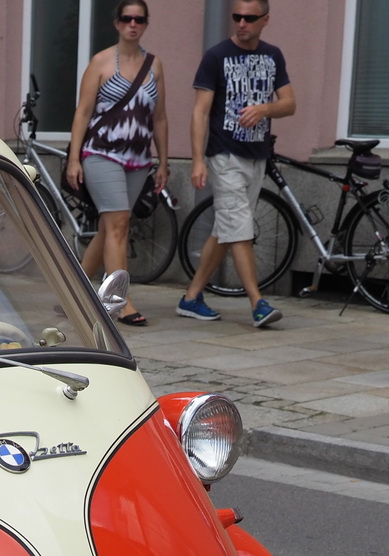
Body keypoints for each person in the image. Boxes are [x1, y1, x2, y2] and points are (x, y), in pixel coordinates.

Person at [177, 0, 295, 328]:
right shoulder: (216, 56)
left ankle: (191, 297)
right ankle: (258, 303)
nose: (242, 23)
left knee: (227, 228)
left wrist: (264, 110)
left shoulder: (273, 56)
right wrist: (198, 159)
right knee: (240, 229)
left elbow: (289, 103)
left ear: (265, 20)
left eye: (249, 18)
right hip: (223, 154)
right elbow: (200, 111)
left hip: (256, 156)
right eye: (236, 17)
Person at [63, 1, 167, 326]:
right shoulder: (101, 62)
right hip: (100, 154)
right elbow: (82, 112)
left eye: (139, 19)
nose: (132, 24)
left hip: (138, 160)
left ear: (146, 24)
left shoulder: (155, 65)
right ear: (117, 23)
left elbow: (160, 118)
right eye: (126, 18)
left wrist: (163, 161)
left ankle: (73, 292)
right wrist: (73, 158)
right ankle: (121, 301)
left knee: (110, 227)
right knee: (120, 225)